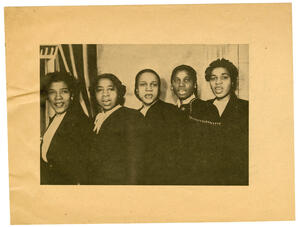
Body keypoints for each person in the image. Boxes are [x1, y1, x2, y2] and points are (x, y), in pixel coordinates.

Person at [88, 73, 145, 185]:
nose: (105, 94)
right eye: (100, 90)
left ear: (119, 92)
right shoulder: (95, 120)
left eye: (110, 89)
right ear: (94, 94)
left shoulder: (131, 116)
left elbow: (136, 162)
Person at [134, 69, 187, 185]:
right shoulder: (132, 115)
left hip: (164, 180)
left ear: (159, 89)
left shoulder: (172, 112)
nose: (149, 88)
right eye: (143, 85)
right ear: (136, 90)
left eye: (154, 84)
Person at [40, 71, 91, 185]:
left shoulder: (80, 123)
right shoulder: (56, 118)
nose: (58, 97)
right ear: (47, 96)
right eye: (52, 92)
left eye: (64, 92)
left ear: (72, 95)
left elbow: (82, 171)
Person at [204, 58, 249, 185]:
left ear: (233, 81)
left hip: (236, 177)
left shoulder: (246, 108)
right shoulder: (203, 108)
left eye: (224, 77)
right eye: (213, 78)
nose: (218, 82)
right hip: (206, 177)